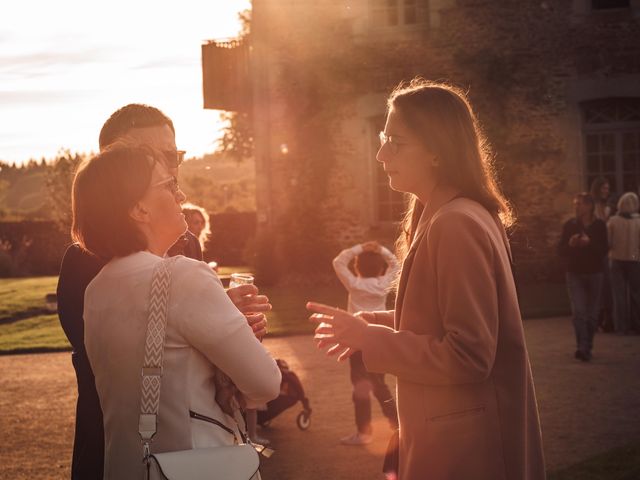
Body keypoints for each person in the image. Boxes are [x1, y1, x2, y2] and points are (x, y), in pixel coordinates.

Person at [307, 79, 545, 480]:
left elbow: (469, 356)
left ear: (437, 152)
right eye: (383, 138)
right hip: (453, 439)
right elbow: (438, 324)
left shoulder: (455, 223)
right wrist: (372, 323)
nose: (381, 154)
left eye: (395, 142)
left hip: (469, 451)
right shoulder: (443, 214)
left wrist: (370, 341)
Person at [56, 104, 270, 479]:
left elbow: (185, 332)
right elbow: (106, 359)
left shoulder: (186, 242)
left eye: (173, 155)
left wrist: (222, 320)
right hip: (116, 435)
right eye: (152, 157)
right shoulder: (85, 260)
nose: (169, 167)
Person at [332, 241, 399, 445]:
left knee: (360, 387)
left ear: (357, 267)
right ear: (381, 268)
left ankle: (364, 433)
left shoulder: (354, 284)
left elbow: (338, 261)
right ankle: (397, 425)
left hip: (357, 342)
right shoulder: (384, 284)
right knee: (380, 385)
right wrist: (381, 250)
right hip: (379, 338)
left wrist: (360, 248)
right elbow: (395, 264)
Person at [558, 193, 608, 361]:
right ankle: (583, 347)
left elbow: (604, 250)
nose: (576, 207)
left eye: (579, 204)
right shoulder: (570, 225)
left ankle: (587, 345)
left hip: (595, 273)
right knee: (579, 312)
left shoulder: (600, 226)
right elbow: (560, 250)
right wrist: (571, 244)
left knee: (592, 314)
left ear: (589, 206)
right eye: (575, 204)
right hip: (575, 273)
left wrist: (590, 243)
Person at [607, 192, 640, 335]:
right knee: (635, 294)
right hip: (634, 260)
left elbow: (608, 242)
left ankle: (621, 326)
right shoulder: (639, 221)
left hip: (617, 259)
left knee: (619, 294)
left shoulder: (613, 221)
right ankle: (637, 324)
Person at [590, 176, 614, 332]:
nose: (606, 191)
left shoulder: (608, 207)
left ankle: (607, 320)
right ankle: (598, 320)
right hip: (596, 250)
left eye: (607, 188)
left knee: (607, 287)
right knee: (599, 287)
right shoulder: (593, 207)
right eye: (604, 188)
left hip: (609, 248)